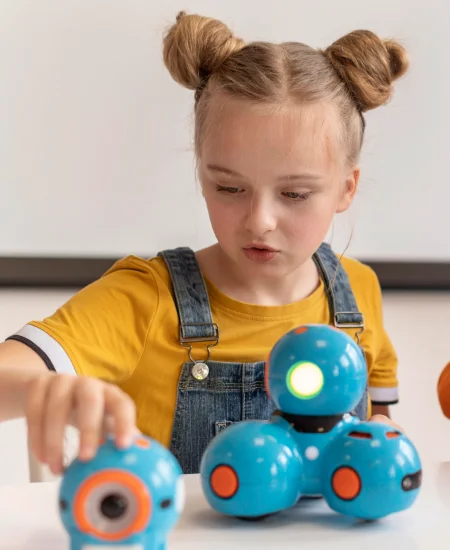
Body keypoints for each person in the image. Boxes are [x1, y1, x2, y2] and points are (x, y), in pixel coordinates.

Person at [0, 11, 408, 475]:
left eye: (295, 194)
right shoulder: (145, 299)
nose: (260, 221)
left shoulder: (359, 294)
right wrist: (38, 389)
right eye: (229, 187)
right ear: (202, 173)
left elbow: (380, 432)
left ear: (346, 188)